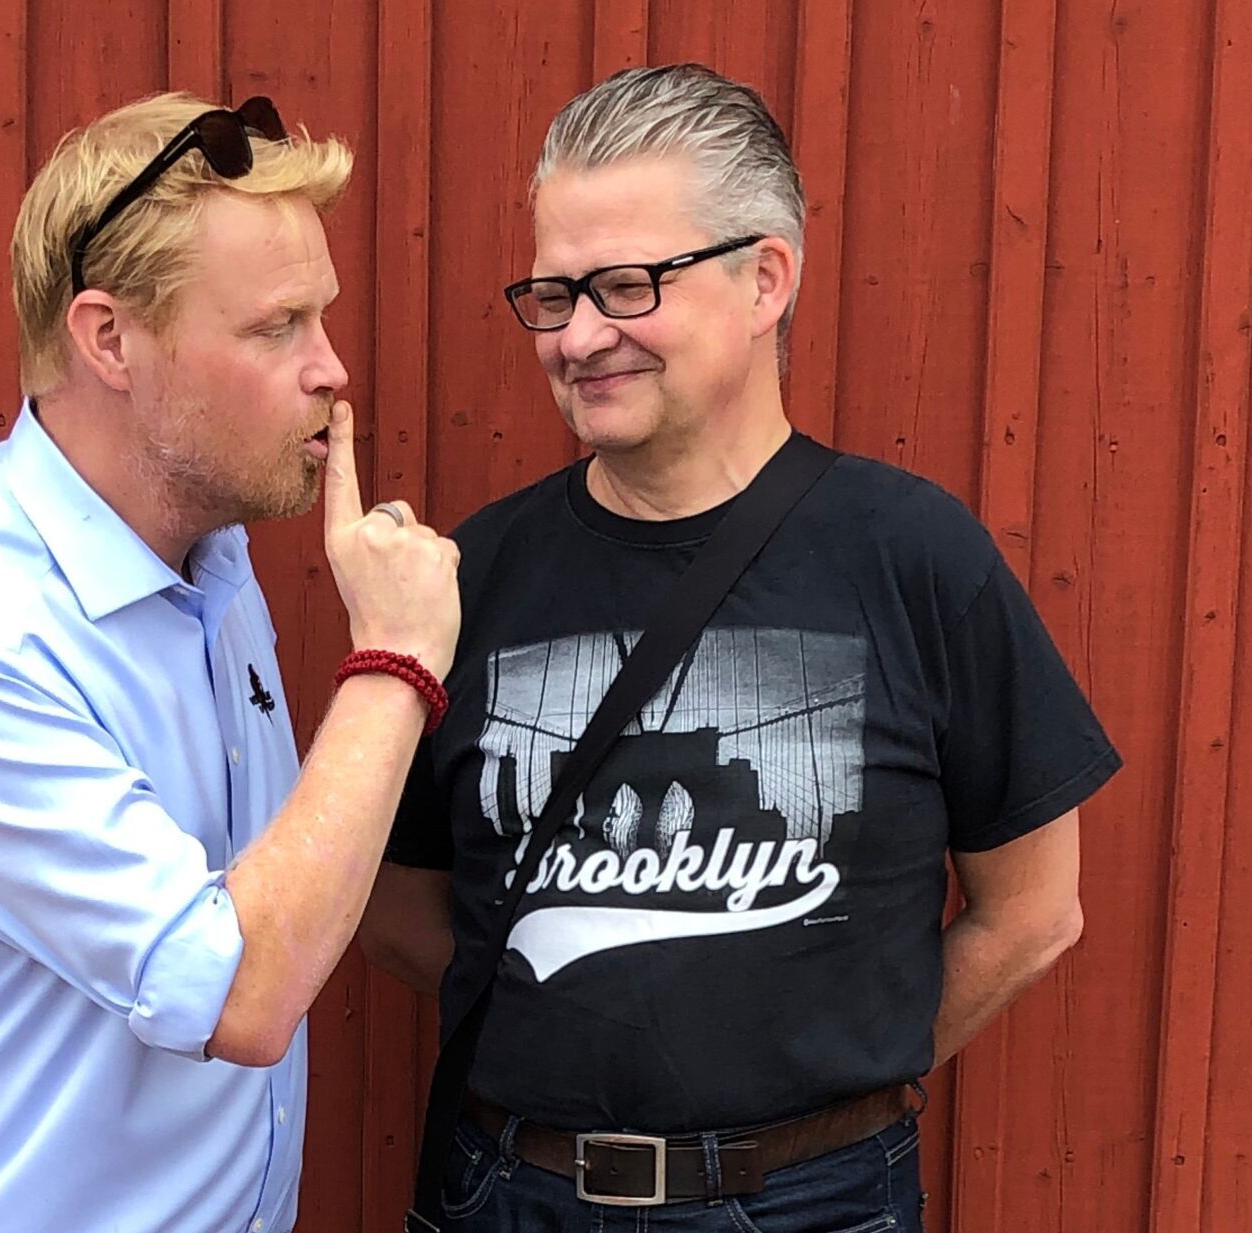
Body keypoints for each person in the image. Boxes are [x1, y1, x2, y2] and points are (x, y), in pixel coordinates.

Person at [362, 63, 1122, 1232]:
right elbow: (398, 902)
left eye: (624, 285)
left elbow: (1032, 912)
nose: (579, 337)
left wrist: (818, 1082)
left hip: (812, 1203)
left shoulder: (912, 554)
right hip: (510, 1193)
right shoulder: (480, 574)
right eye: (553, 296)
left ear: (765, 277)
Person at [0, 91, 460, 1233]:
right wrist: (393, 661)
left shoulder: (206, 553)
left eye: (321, 320)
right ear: (109, 339)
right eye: (276, 329)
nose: (332, 370)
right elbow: (239, 993)